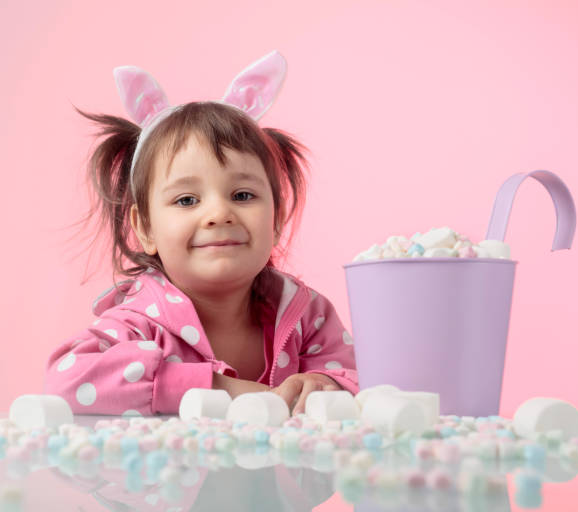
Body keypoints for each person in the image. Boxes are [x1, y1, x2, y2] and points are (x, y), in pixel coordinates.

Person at [44, 51, 359, 416]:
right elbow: (66, 379)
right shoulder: (139, 323)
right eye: (187, 199)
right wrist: (216, 389)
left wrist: (329, 384)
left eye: (242, 195)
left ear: (276, 218)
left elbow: (359, 374)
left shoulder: (307, 314)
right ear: (145, 228)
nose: (219, 214)